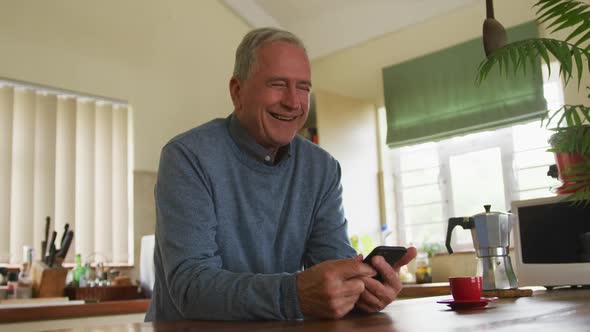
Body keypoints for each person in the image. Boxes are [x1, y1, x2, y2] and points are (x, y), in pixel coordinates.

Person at [145, 27, 416, 321]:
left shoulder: (322, 168)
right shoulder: (187, 157)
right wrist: (294, 295)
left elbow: (333, 269)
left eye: (303, 87)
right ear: (237, 92)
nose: (294, 101)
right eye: (278, 84)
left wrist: (361, 291)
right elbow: (190, 288)